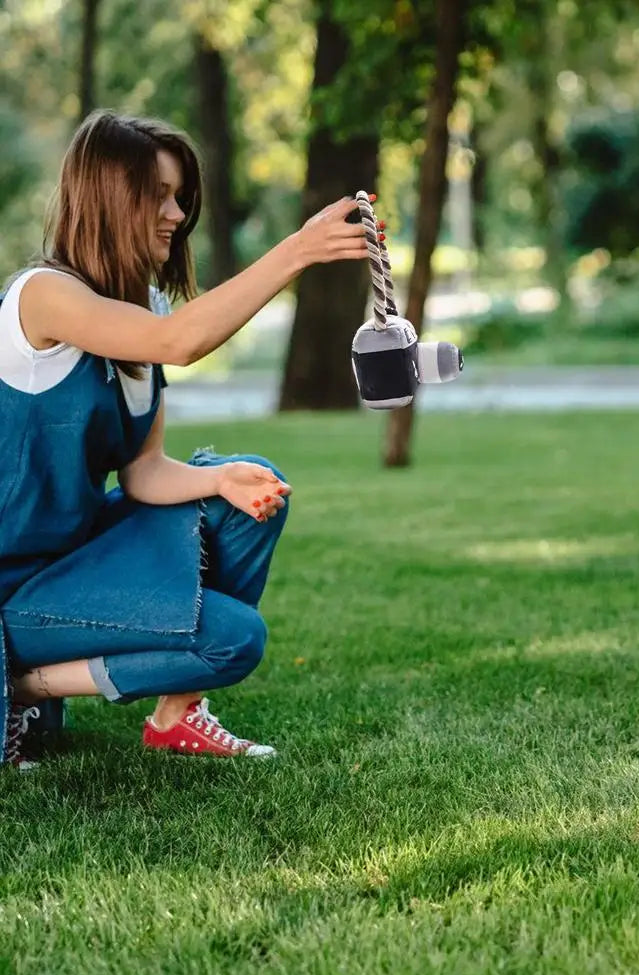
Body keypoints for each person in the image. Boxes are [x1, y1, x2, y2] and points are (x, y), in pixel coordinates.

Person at [0, 110, 382, 768]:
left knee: (250, 487)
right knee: (234, 638)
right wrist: (298, 250)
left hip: (71, 562)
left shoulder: (143, 305)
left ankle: (173, 714)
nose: (177, 215)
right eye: (159, 196)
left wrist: (220, 479)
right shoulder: (43, 297)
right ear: (109, 198)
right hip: (12, 585)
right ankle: (23, 686)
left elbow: (144, 471)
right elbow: (179, 341)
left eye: (180, 197)